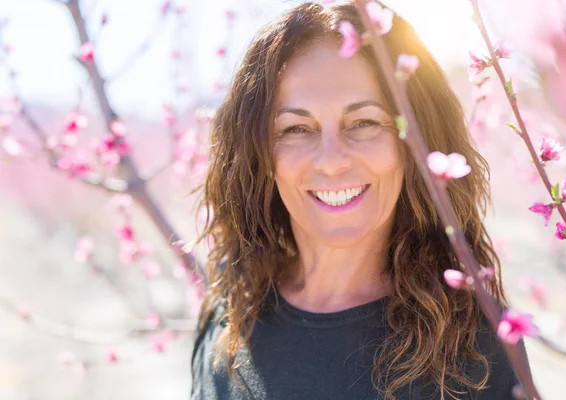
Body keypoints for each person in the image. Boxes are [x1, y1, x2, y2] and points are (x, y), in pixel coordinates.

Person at [189, 1, 530, 399]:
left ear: (415, 143)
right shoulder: (226, 316)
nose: (332, 161)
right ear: (259, 155)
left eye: (365, 122)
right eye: (297, 128)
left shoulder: (477, 344)